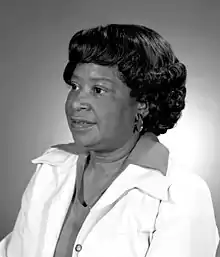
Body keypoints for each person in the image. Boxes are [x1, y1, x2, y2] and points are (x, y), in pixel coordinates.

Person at [0, 24, 219, 257]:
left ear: (143, 102)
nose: (76, 103)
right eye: (74, 86)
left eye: (98, 90)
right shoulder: (51, 168)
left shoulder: (181, 193)